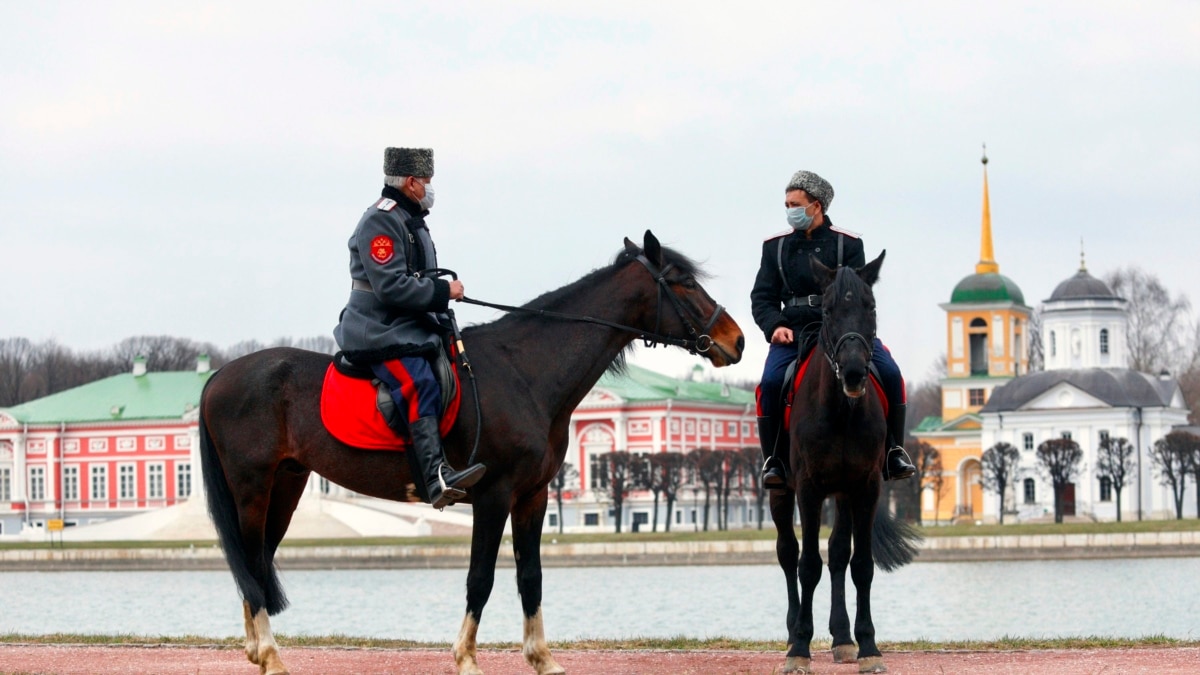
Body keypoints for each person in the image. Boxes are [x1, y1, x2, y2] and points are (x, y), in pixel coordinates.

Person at [333, 146, 485, 509]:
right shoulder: (380, 220)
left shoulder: (410, 216)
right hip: (378, 327)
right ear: (412, 182)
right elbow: (390, 286)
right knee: (416, 380)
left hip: (408, 323)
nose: (431, 188)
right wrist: (442, 290)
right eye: (428, 182)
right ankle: (435, 476)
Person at [750, 170, 916, 488]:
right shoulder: (775, 247)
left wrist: (850, 329)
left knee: (892, 375)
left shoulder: (849, 244)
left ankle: (894, 450)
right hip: (793, 333)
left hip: (843, 331)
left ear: (817, 205)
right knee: (770, 383)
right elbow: (762, 297)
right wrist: (775, 325)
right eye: (786, 204)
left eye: (795, 204)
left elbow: (857, 294)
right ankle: (774, 460)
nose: (789, 211)